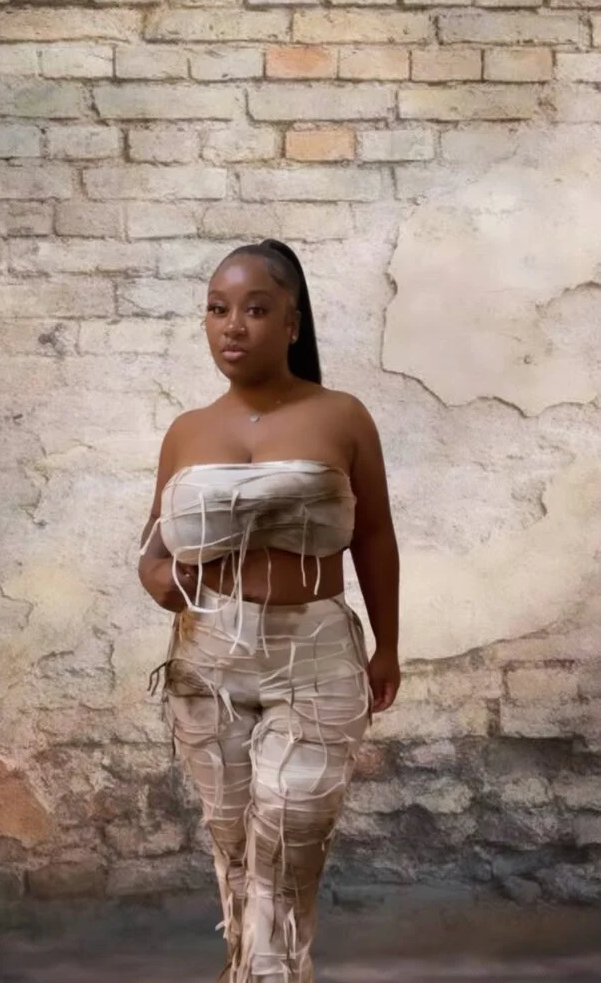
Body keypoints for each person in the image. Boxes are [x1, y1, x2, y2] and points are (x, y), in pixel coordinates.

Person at [138, 238, 400, 983]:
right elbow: (152, 545)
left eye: (256, 310)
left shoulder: (342, 416)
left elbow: (375, 536)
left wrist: (386, 646)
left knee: (288, 835)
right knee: (232, 843)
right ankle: (253, 969)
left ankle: (272, 972)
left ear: (292, 322)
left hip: (314, 653)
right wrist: (157, 577)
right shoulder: (187, 430)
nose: (233, 326)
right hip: (207, 657)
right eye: (217, 309)